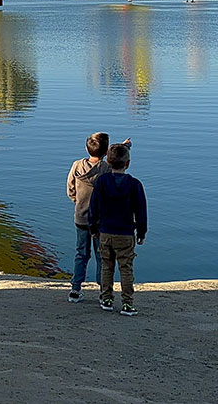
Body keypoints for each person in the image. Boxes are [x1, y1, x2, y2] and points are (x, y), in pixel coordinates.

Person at [66, 133, 129, 303]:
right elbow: (116, 162)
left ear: (87, 148)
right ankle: (103, 292)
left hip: (81, 218)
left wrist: (79, 203)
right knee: (103, 256)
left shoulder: (77, 166)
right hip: (101, 221)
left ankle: (75, 289)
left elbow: (70, 190)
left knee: (81, 254)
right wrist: (124, 148)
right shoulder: (106, 169)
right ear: (105, 153)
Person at [88, 143, 147, 316]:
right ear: (127, 163)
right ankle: (127, 303)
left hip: (105, 231)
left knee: (107, 266)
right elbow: (141, 211)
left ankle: (106, 298)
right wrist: (141, 232)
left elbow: (94, 207)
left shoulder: (101, 182)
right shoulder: (135, 185)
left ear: (108, 162)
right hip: (126, 233)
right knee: (126, 268)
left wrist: (93, 227)